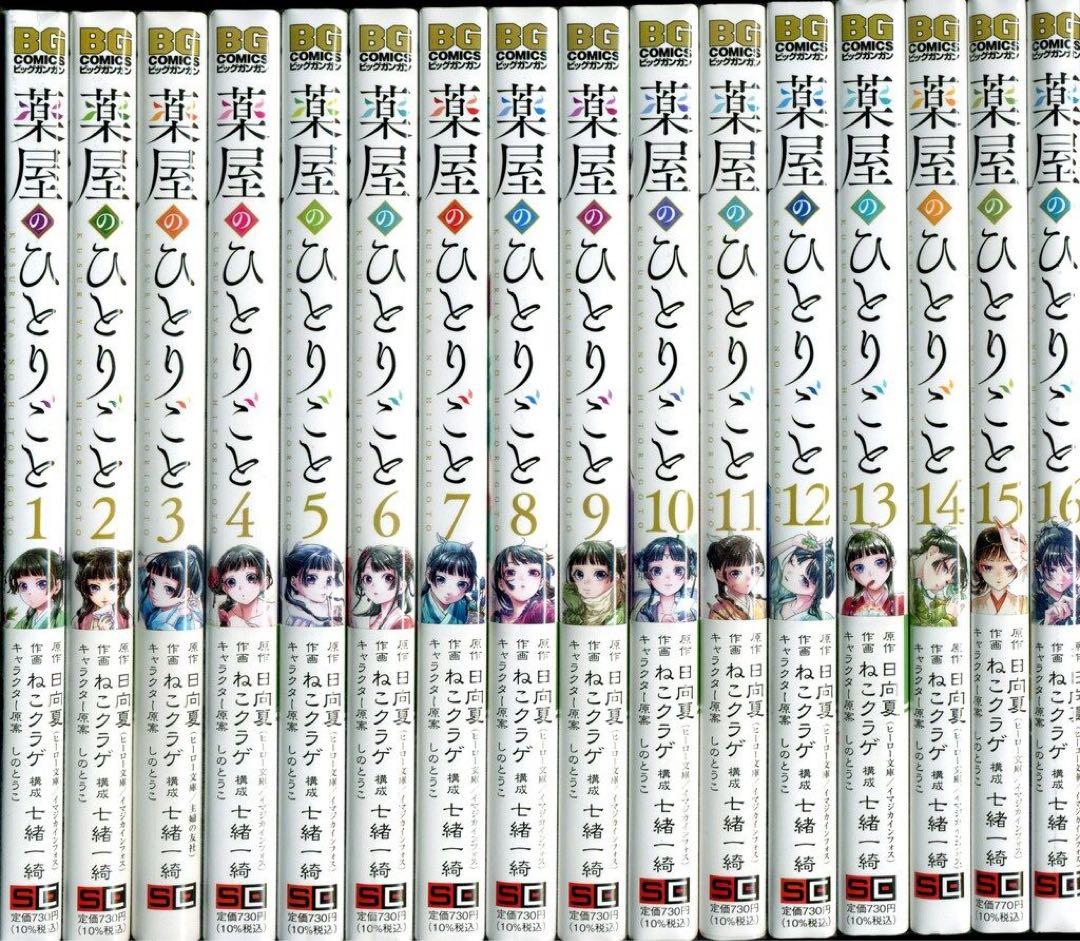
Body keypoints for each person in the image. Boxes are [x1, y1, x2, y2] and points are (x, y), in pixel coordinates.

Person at [908, 527, 968, 626]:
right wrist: (947, 614)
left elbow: (924, 619)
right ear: (932, 552)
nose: (941, 583)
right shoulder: (903, 569)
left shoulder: (916, 586)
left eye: (947, 582)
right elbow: (923, 624)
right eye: (945, 569)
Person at [769, 534, 835, 621]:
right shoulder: (782, 594)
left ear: (818, 591)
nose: (790, 572)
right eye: (792, 562)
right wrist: (792, 541)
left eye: (805, 580)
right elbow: (764, 560)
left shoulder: (814, 619)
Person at [631, 536, 697, 623]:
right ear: (647, 577)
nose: (668, 577)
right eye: (657, 571)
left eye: (678, 570)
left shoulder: (690, 612)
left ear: (687, 577)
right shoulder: (645, 613)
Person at [139, 546, 204, 631]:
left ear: (185, 594)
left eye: (168, 589)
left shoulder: (185, 621)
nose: (155, 591)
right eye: (153, 582)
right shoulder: (156, 611)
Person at [562, 540, 626, 626]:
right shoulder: (572, 608)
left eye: (600, 574)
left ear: (616, 576)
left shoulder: (620, 613)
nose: (587, 582)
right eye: (579, 574)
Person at [841, 529, 904, 616]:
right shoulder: (850, 604)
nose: (871, 573)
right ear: (851, 573)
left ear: (892, 563)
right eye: (859, 568)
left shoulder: (899, 602)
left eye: (880, 563)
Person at [971, 522, 1028, 615]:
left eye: (1008, 567)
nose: (999, 575)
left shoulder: (1024, 603)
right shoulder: (973, 605)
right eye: (988, 567)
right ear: (977, 565)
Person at [281, 543, 345, 627]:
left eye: (329, 580)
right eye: (312, 579)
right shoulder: (298, 614)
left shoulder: (329, 605)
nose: (324, 586)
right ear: (293, 582)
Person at [353, 544, 414, 630]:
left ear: (401, 586)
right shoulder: (375, 618)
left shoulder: (402, 621)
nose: (375, 586)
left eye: (388, 578)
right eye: (368, 579)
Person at [420, 538, 481, 624]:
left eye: (461, 584)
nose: (449, 591)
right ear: (429, 575)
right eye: (441, 579)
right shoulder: (419, 605)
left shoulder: (470, 608)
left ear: (471, 582)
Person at [211, 545, 273, 628]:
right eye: (231, 581)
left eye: (251, 578)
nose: (241, 587)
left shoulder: (268, 612)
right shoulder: (229, 615)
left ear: (264, 582)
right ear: (224, 587)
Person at [490, 544, 556, 624]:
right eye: (510, 572)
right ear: (500, 584)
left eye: (533, 572)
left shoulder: (543, 611)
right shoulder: (499, 617)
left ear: (541, 583)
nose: (523, 579)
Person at [706, 535, 766, 620]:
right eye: (736, 573)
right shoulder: (718, 610)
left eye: (755, 570)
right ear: (719, 575)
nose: (749, 578)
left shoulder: (761, 604)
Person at [73, 548, 133, 630]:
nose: (105, 596)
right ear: (84, 587)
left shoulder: (126, 619)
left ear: (124, 586)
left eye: (113, 586)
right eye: (95, 587)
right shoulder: (80, 620)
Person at [5, 548, 64, 629]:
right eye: (23, 586)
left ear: (57, 586)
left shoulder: (59, 618)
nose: (30, 591)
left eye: (41, 583)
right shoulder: (25, 621)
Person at [1033, 522, 1078, 625]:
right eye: (1052, 570)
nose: (1061, 578)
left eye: (1070, 570)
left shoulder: (1076, 595)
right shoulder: (1034, 601)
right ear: (1039, 568)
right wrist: (1047, 622)